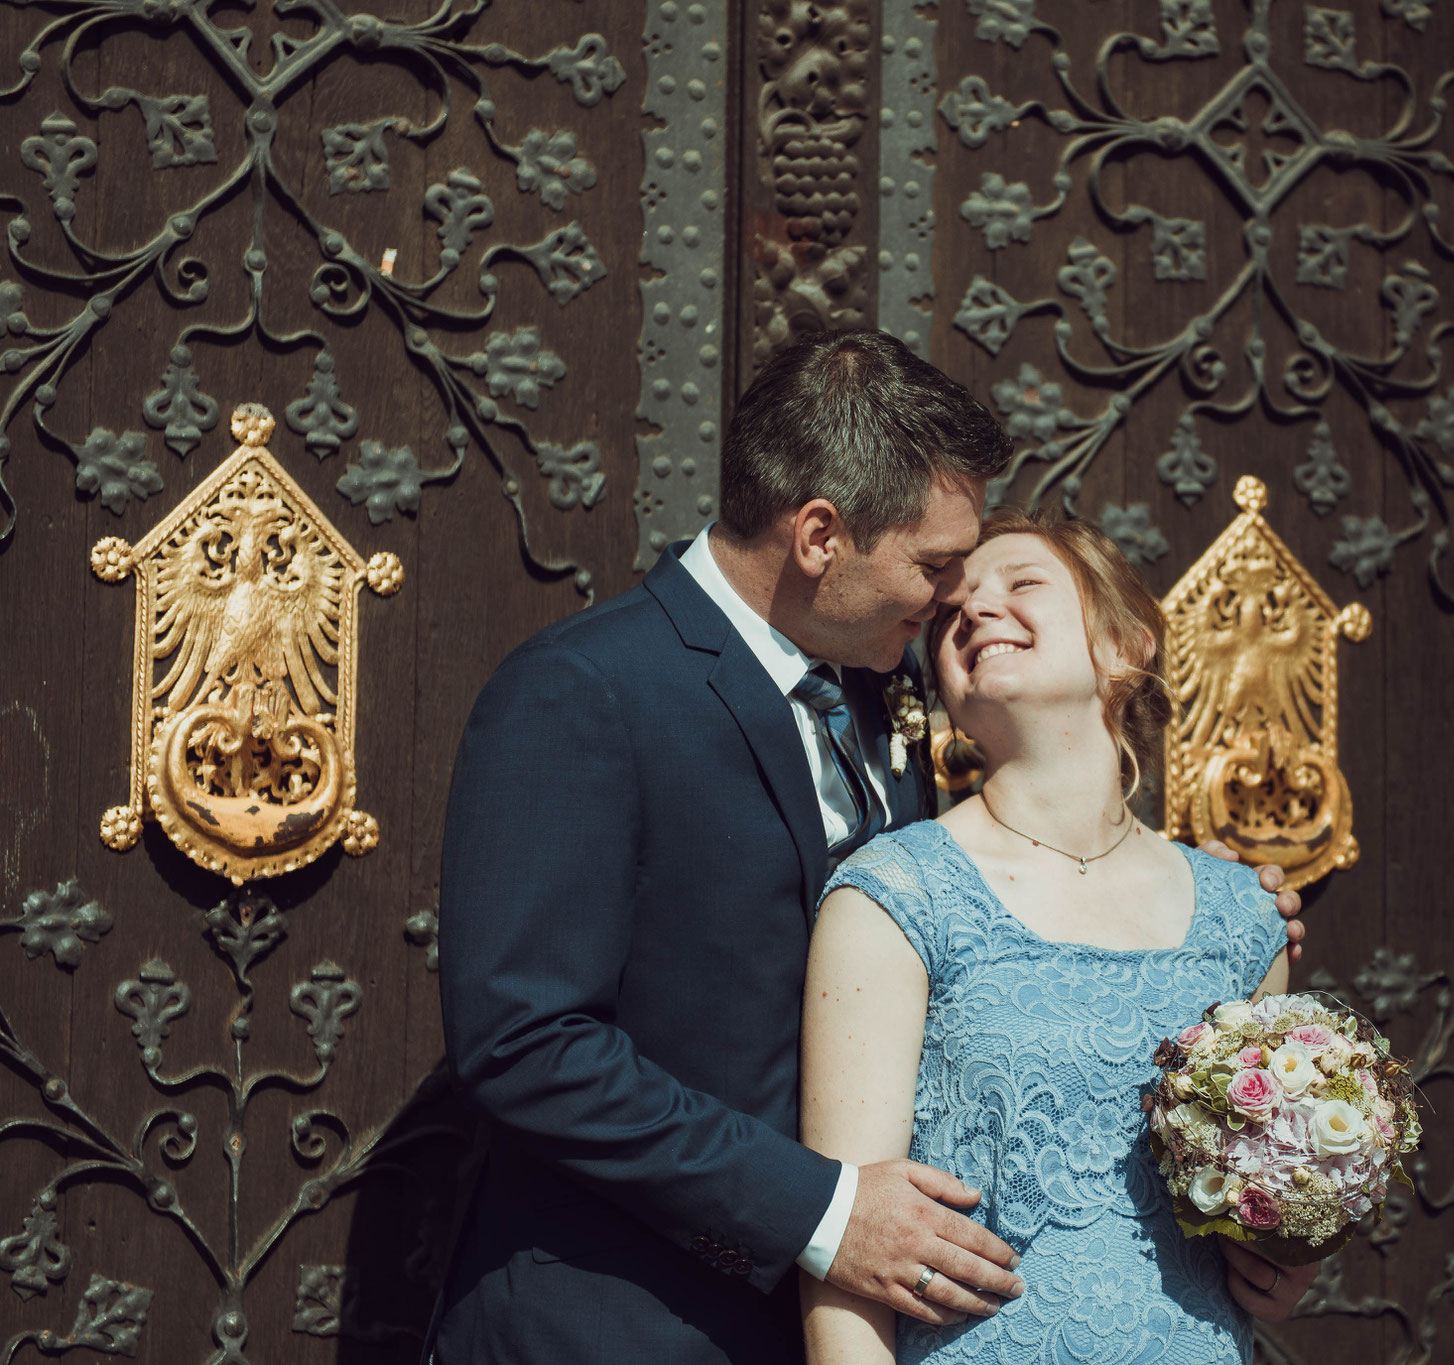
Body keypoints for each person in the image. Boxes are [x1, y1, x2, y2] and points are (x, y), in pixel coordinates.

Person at [427, 329, 1305, 1365]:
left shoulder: (868, 693)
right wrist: (825, 1211)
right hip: (621, 1322)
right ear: (817, 537)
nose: (952, 600)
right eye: (934, 567)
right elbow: (525, 1044)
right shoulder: (585, 690)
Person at [800, 508, 1322, 1365]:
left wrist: (1291, 1252)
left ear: (1126, 644)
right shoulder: (895, 891)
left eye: (1023, 584)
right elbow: (846, 1245)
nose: (974, 612)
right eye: (954, 611)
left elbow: (1267, 1199)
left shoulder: (1244, 916)